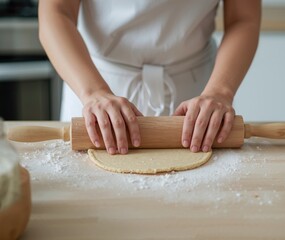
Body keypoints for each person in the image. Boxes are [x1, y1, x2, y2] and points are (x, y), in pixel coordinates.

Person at [38, 0, 261, 155]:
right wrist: (94, 93)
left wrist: (220, 92)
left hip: (199, 98)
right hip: (93, 89)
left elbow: (243, 18)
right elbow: (55, 11)